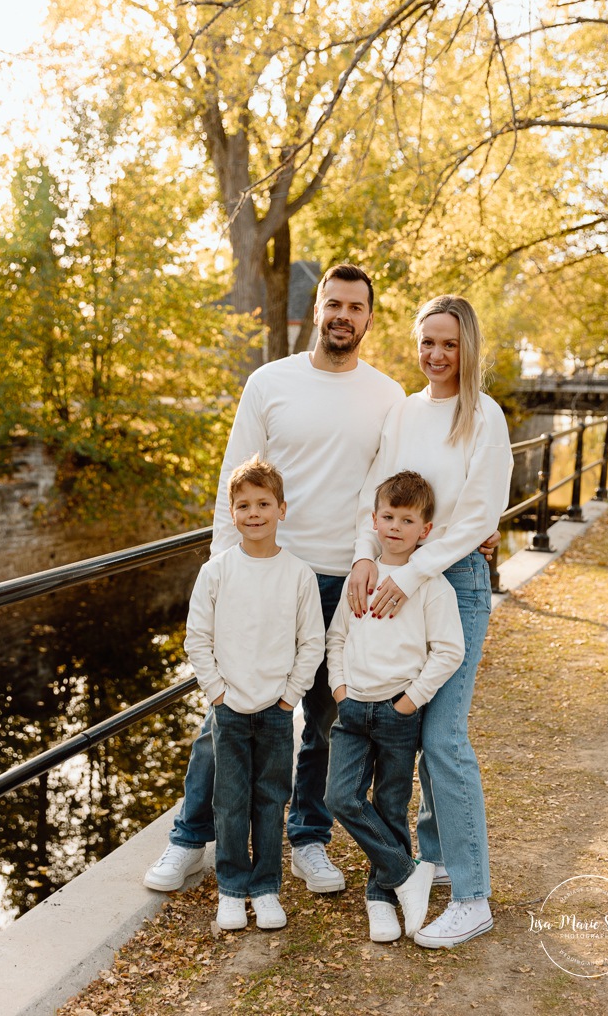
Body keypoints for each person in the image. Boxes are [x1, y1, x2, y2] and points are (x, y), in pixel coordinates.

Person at [144, 263, 405, 894]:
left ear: (369, 319)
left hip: (343, 580)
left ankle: (308, 838)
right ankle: (188, 837)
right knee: (226, 714)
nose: (343, 315)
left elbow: (390, 489)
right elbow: (235, 477)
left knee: (320, 721)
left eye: (356, 307)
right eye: (333, 304)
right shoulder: (270, 382)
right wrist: (219, 566)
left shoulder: (388, 396)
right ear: (317, 309)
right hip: (263, 571)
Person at [348, 295, 513, 949]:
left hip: (453, 585)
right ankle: (437, 857)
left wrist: (411, 573)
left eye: (448, 343)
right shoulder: (404, 412)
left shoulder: (485, 417)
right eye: (426, 343)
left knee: (443, 737)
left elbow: (477, 518)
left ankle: (473, 897)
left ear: (466, 346)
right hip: (397, 582)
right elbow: (377, 492)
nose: (436, 355)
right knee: (415, 728)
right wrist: (366, 557)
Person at [184, 457, 325, 930]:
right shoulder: (217, 571)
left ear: (282, 509)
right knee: (228, 802)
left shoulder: (299, 575)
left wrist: (290, 697)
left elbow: (312, 643)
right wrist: (218, 693)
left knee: (270, 799)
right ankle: (231, 888)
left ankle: (266, 887)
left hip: (277, 712)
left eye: (264, 503)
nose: (254, 513)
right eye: (243, 505)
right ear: (232, 513)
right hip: (230, 710)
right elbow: (197, 639)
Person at [325, 471, 464, 944]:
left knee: (389, 803)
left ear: (425, 530)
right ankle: (408, 872)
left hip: (396, 713)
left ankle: (381, 899)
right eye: (388, 516)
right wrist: (340, 689)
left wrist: (409, 702)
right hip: (352, 711)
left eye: (407, 520)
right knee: (340, 798)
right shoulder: (360, 577)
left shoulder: (430, 586)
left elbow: (449, 651)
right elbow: (337, 637)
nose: (395, 527)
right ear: (374, 519)